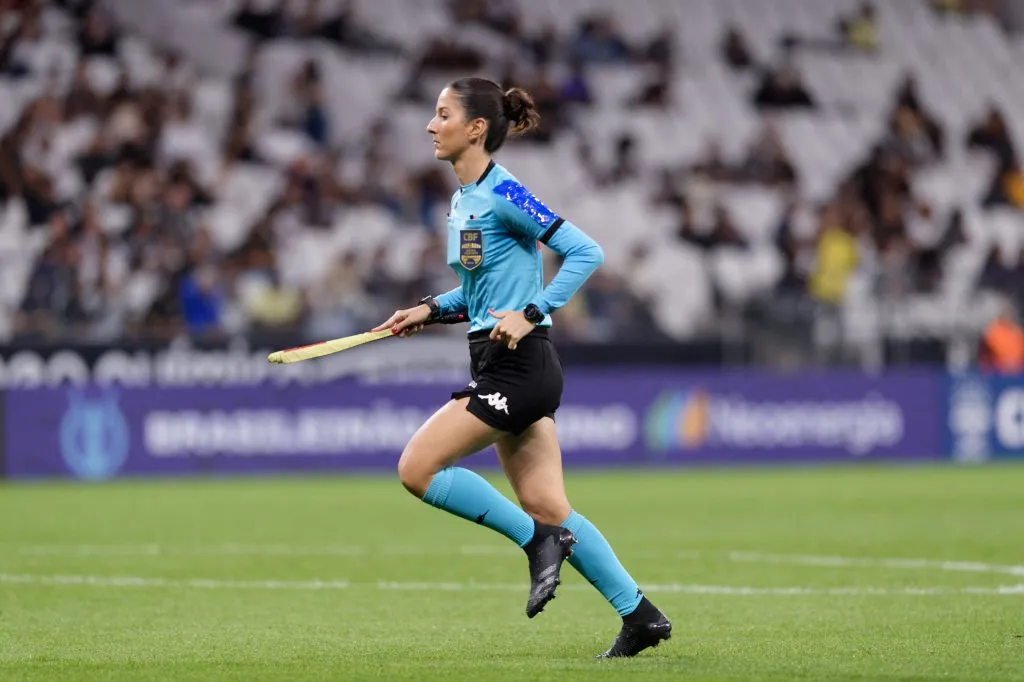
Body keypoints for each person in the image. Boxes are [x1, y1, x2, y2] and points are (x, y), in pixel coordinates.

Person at [370, 77, 672, 658]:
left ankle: (537, 542)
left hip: (520, 366)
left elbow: (585, 252)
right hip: (498, 359)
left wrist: (534, 312)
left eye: (443, 114)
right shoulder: (463, 201)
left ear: (476, 128)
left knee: (418, 468)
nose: (431, 125)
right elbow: (479, 297)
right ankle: (640, 616)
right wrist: (429, 309)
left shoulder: (505, 191)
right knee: (551, 507)